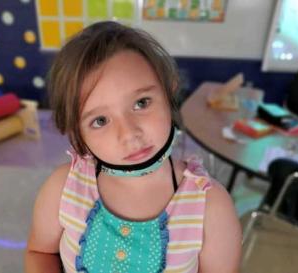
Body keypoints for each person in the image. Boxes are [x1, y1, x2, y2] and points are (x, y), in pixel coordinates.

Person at [25, 21, 242, 273]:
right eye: (100, 120)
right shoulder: (63, 188)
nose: (129, 134)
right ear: (77, 132)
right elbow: (40, 251)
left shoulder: (210, 206)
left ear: (168, 90)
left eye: (141, 103)